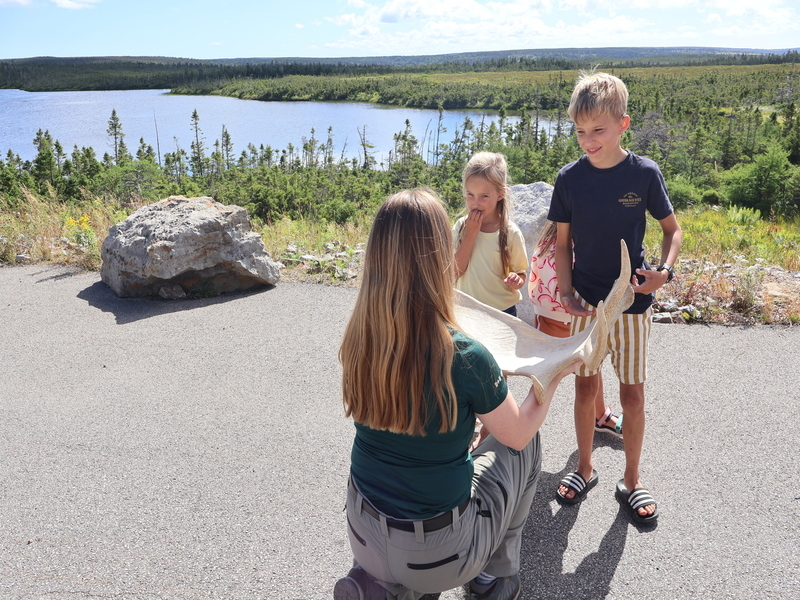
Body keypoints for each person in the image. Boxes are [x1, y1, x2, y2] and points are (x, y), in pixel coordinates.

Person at [335, 188, 555, 600]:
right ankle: (493, 577)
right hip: (437, 554)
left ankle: (382, 583)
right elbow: (518, 432)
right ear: (439, 254)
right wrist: (553, 375)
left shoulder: (359, 337)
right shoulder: (465, 355)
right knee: (526, 446)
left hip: (362, 533)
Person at [547, 72, 682, 524]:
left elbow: (672, 230)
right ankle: (585, 468)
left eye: (597, 130)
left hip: (632, 304)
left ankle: (632, 479)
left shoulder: (643, 173)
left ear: (623, 125)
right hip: (587, 303)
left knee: (633, 396)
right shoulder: (569, 179)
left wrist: (664, 272)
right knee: (585, 388)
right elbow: (563, 244)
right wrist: (565, 291)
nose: (587, 140)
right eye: (580, 131)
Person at [528, 220, 622, 438]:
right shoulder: (557, 241)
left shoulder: (552, 236)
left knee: (589, 369)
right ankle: (522, 428)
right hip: (558, 318)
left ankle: (600, 415)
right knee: (549, 376)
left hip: (564, 317)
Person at [453, 152, 528, 317]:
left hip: (502, 313)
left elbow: (520, 272)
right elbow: (455, 272)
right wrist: (470, 235)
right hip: (467, 310)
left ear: (500, 195)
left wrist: (517, 279)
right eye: (470, 195)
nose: (475, 203)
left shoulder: (511, 232)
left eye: (484, 196)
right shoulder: (460, 227)